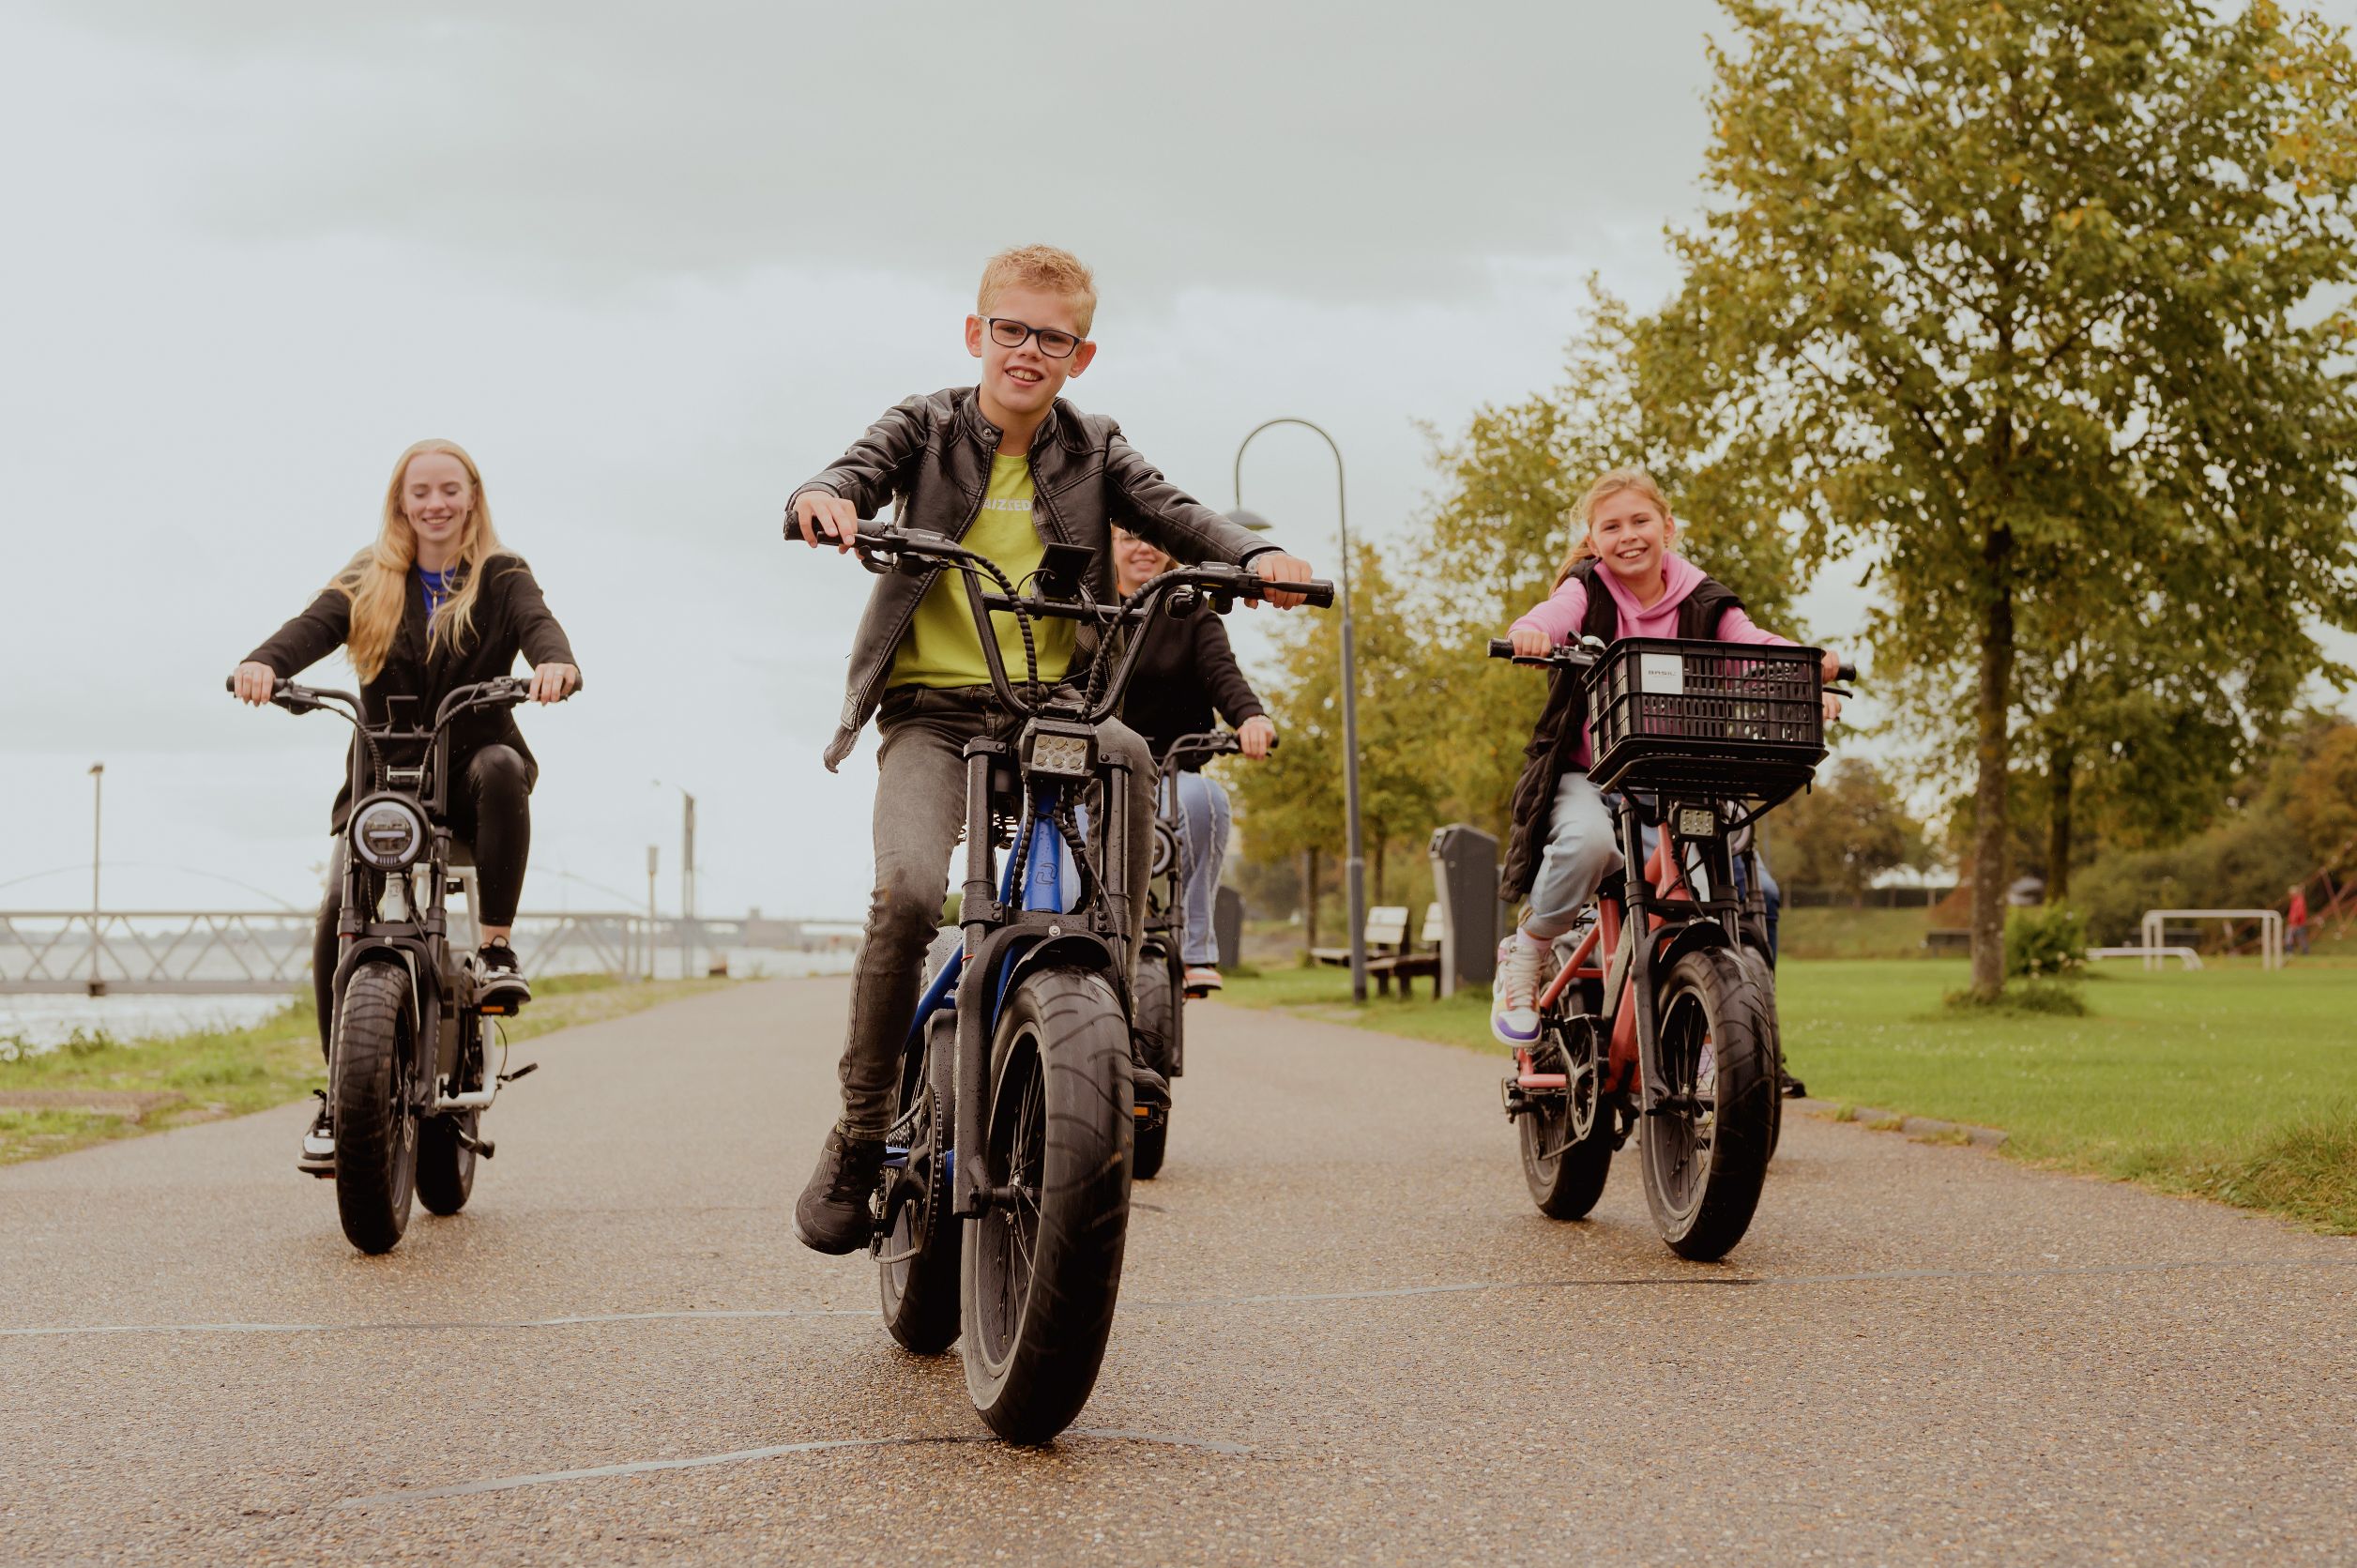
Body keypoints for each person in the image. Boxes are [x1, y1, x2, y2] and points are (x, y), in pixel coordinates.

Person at [783, 244, 1316, 1255]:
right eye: (1013, 330)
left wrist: (1251, 557)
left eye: (1054, 338)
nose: (1030, 351)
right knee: (905, 892)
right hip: (932, 713)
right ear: (976, 333)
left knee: (1128, 755)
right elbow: (853, 470)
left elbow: (1177, 513)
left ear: (1083, 353)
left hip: (1050, 708)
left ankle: (1102, 1012)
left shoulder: (1097, 445)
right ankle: (858, 1133)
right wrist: (827, 496)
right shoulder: (925, 424)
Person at [233, 439, 580, 1169]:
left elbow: (537, 622)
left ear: (472, 495)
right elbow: (311, 626)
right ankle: (339, 1094)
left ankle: (493, 948)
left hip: (471, 769)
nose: (435, 503)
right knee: (337, 910)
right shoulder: (370, 575)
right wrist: (265, 662)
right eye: (419, 491)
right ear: (400, 502)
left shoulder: (500, 573)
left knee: (503, 766)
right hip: (383, 774)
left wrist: (554, 661)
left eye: (449, 489)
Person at [1493, 468, 1842, 1046]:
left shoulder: (1704, 600)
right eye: (1611, 526)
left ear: (1667, 527)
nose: (1627, 535)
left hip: (1675, 775)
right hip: (1591, 771)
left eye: (1640, 520)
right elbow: (1554, 614)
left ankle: (1720, 1038)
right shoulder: (1590, 588)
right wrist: (1531, 632)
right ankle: (1528, 949)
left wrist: (1806, 666)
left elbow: (1753, 643)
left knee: (1722, 891)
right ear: (1594, 538)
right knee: (1588, 844)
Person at [1110, 525, 1276, 995]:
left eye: (1154, 539)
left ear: (1171, 552)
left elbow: (1223, 673)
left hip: (1169, 768)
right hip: (1093, 769)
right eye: (1129, 538)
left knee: (1206, 801)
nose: (1143, 548)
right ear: (1111, 548)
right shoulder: (1089, 605)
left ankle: (1195, 946)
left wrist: (1251, 718)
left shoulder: (1190, 613)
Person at [2288, 883, 2311, 958]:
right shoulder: (2295, 900)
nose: (2290, 895)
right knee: (2299, 939)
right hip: (2295, 923)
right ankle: (2303, 953)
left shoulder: (2299, 900)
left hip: (2298, 923)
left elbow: (2299, 913)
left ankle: (2292, 953)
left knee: (2297, 939)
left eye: (2291, 893)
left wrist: (2294, 922)